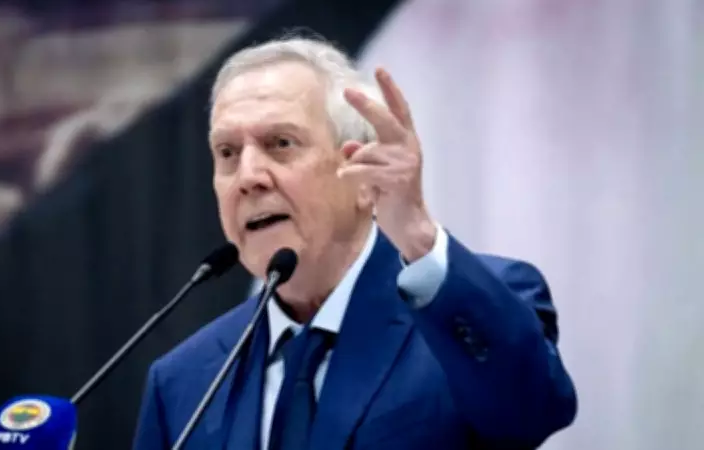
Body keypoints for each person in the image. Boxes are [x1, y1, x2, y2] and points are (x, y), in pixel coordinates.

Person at [133, 36, 577, 449]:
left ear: (363, 176)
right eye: (228, 153)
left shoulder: (471, 309)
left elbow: (531, 412)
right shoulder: (182, 382)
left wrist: (417, 235)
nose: (248, 177)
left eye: (281, 143)